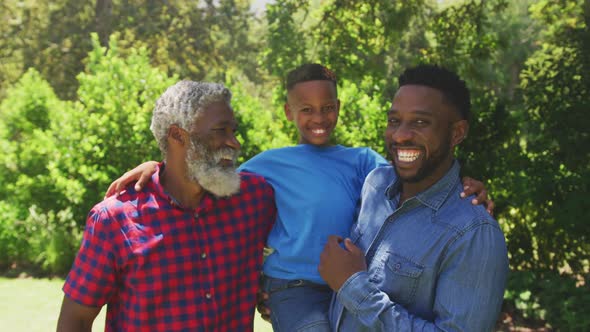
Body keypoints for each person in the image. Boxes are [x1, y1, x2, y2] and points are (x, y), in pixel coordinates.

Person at [105, 64, 493, 332]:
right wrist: (158, 167)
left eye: (326, 108)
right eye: (306, 109)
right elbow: (206, 174)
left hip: (344, 287)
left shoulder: (364, 165)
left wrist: (467, 185)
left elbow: (418, 175)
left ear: (339, 109)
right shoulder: (271, 164)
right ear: (289, 112)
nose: (318, 117)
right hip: (294, 288)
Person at [56, 81, 276, 332]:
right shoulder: (115, 220)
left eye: (233, 130)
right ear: (177, 135)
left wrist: (275, 292)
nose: (234, 142)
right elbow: (76, 320)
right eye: (220, 130)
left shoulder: (254, 198)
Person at [318, 64, 509, 331]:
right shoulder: (374, 184)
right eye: (394, 121)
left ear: (457, 133)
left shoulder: (473, 233)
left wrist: (353, 287)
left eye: (420, 122)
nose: (400, 135)